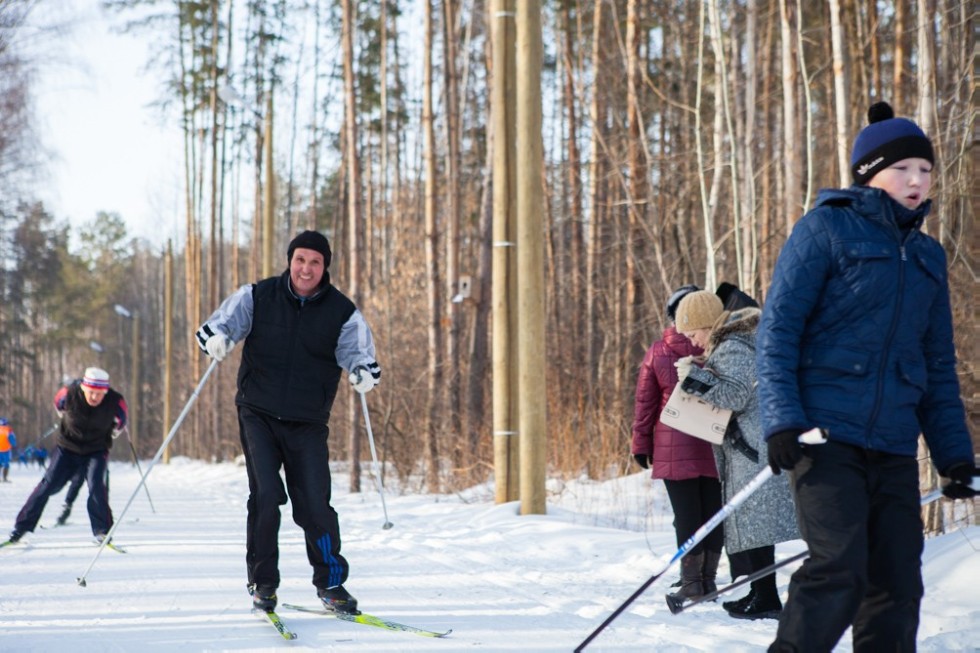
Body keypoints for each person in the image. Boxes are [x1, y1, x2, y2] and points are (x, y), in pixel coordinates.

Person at [757, 102, 976, 652]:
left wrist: (954, 456)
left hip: (895, 445)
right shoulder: (824, 229)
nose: (917, 180)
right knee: (840, 569)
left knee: (898, 585)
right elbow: (778, 331)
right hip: (823, 437)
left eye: (926, 170)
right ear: (869, 172)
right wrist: (782, 420)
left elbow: (936, 366)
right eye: (903, 169)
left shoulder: (928, 257)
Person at [196, 229, 381, 615]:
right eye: (300, 259)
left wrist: (363, 371)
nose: (306, 268)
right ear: (290, 261)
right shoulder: (258, 296)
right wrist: (216, 339)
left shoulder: (342, 312)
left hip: (307, 420)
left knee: (315, 504)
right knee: (266, 496)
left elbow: (358, 353)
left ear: (325, 266)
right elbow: (220, 325)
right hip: (258, 412)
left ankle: (331, 583)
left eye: (315, 261)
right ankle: (263, 583)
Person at [674, 290, 800, 620]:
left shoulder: (732, 345)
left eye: (693, 333)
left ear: (706, 324)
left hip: (752, 447)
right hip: (749, 445)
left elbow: (736, 394)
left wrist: (694, 378)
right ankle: (761, 593)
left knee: (755, 522)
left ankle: (767, 597)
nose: (693, 342)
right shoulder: (736, 342)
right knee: (753, 524)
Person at [631, 284, 723, 604]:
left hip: (673, 443)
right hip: (715, 439)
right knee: (713, 512)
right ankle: (708, 581)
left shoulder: (659, 351)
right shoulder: (718, 347)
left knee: (686, 515)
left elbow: (645, 403)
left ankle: (691, 582)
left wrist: (641, 445)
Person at [8, 368, 127, 543]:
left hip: (96, 450)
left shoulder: (115, 401)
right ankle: (21, 528)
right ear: (84, 389)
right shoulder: (68, 394)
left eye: (100, 394)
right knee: (48, 485)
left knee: (96, 486)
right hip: (67, 448)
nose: (95, 397)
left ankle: (102, 531)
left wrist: (113, 431)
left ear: (106, 392)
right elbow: (59, 406)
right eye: (91, 393)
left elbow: (120, 424)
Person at [0, 418, 17, 482]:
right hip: (6, 450)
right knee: (6, 464)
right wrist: (14, 444)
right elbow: (12, 439)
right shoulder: (9, 430)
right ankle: (4, 478)